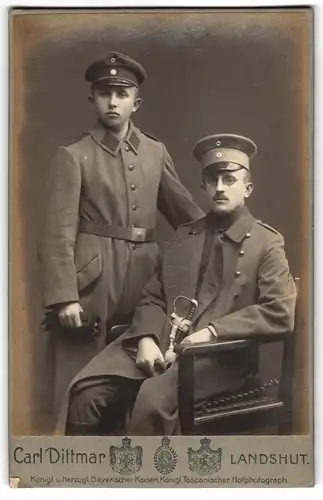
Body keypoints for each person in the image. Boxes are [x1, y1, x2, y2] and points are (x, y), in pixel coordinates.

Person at [55, 133, 296, 436]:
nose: (220, 188)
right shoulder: (184, 236)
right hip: (159, 345)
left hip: (219, 358)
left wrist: (212, 332)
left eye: (229, 180)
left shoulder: (267, 242)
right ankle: (86, 478)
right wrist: (145, 337)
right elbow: (154, 297)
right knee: (86, 393)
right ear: (204, 186)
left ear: (247, 188)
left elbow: (279, 311)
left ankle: (145, 479)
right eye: (212, 179)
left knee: (151, 400)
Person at [39, 51, 204, 415]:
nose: (113, 101)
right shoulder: (73, 155)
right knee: (81, 381)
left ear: (136, 102)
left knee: (139, 377)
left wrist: (231, 240)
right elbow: (56, 234)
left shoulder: (155, 152)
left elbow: (189, 219)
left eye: (122, 93)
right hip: (93, 284)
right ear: (92, 99)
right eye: (104, 93)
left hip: (146, 280)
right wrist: (64, 296)